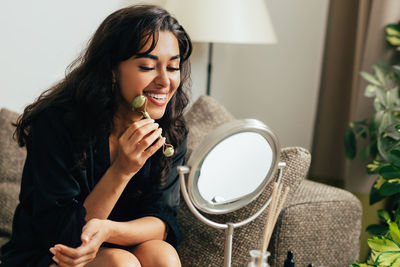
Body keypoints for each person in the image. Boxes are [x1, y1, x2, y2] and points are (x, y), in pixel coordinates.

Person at [0, 4, 192, 267]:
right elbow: (65, 238)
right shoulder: (58, 123)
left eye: (172, 67)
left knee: (162, 255)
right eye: (147, 66)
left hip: (117, 244)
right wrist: (122, 170)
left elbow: (162, 220)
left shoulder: (171, 130)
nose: (164, 81)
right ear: (113, 71)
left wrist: (109, 230)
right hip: (51, 254)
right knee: (121, 263)